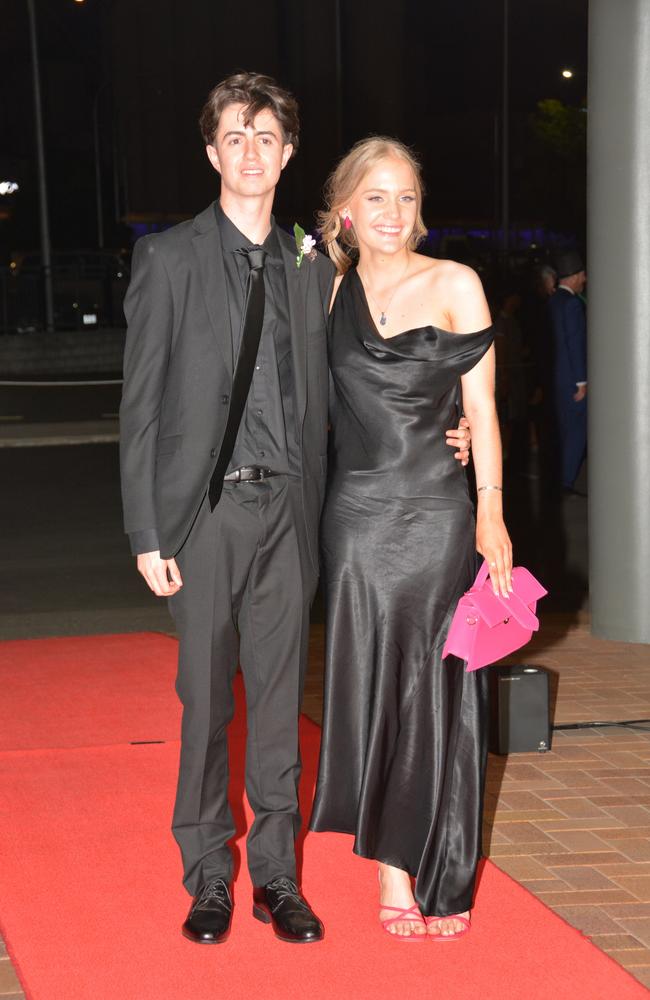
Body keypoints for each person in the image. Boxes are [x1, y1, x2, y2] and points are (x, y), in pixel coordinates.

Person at [119, 75, 471, 946]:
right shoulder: (168, 259)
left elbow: (379, 364)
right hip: (203, 517)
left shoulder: (315, 267)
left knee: (280, 704)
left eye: (266, 138)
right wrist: (147, 529)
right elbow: (142, 408)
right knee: (207, 703)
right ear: (212, 152)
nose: (251, 153)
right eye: (235, 137)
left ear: (287, 155)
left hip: (293, 515)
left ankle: (276, 875)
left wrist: (446, 427)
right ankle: (209, 876)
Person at [310, 138, 512, 940]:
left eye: (405, 198)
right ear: (347, 208)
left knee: (437, 685)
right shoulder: (323, 288)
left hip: (436, 510)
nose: (392, 213)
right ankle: (395, 868)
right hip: (355, 517)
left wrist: (490, 510)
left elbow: (485, 412)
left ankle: (444, 866)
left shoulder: (457, 282)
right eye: (376, 197)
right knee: (376, 686)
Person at [548, 250, 587, 493]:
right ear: (573, 277)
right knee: (576, 432)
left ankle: (559, 478)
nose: (584, 280)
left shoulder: (552, 301)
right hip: (572, 380)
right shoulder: (572, 303)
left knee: (563, 430)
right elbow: (575, 344)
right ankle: (565, 482)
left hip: (557, 377)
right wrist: (582, 382)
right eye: (582, 275)